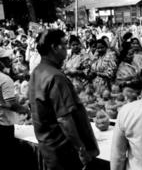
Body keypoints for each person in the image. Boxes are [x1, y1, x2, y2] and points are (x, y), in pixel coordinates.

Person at [29, 29, 99, 170]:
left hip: (48, 147)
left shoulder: (37, 71)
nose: (67, 49)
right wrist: (81, 149)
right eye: (65, 44)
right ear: (55, 48)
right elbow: (64, 119)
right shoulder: (55, 77)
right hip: (63, 151)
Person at [0, 47, 29, 170]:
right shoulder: (6, 80)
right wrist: (26, 110)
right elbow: (12, 104)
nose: (10, 61)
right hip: (4, 124)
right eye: (7, 59)